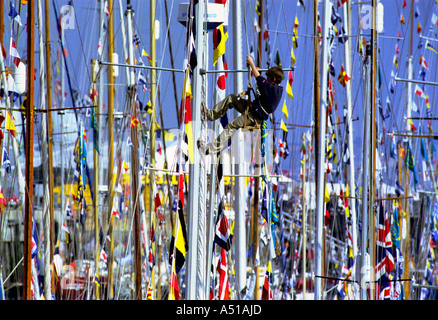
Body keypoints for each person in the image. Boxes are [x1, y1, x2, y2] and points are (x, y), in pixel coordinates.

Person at [197, 55, 284, 155]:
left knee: (232, 126)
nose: (267, 79)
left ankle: (208, 150)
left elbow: (261, 80)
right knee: (231, 99)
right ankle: (209, 115)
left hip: (254, 116)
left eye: (269, 78)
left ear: (273, 79)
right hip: (252, 108)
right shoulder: (272, 88)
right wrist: (256, 71)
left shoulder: (275, 91)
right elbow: (262, 84)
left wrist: (251, 64)